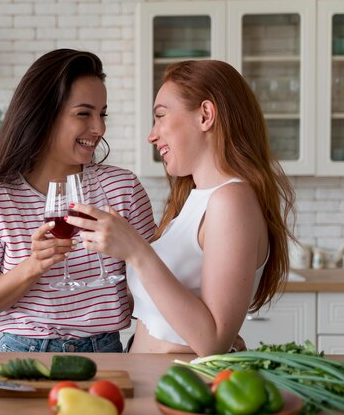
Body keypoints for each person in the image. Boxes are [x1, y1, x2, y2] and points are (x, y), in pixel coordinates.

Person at [69, 60, 296, 357]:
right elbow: (172, 311)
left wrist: (137, 251)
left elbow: (212, 341)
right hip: (147, 373)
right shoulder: (196, 198)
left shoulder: (231, 201)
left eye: (160, 116)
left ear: (205, 115)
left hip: (180, 388)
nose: (152, 135)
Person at [0, 49, 157, 353]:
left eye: (102, 114)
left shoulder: (121, 187)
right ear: (44, 114)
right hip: (24, 354)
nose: (99, 128)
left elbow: (157, 286)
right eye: (83, 113)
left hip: (107, 352)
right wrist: (34, 265)